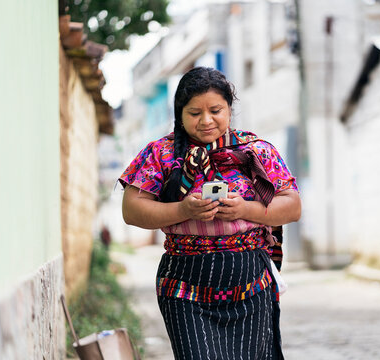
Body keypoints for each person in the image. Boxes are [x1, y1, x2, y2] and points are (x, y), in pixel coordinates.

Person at [119, 67, 301, 359]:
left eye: (216, 110)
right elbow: (132, 210)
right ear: (179, 114)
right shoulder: (160, 154)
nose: (206, 121)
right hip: (184, 289)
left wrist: (245, 209)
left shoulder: (257, 151)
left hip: (252, 285)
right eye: (194, 113)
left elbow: (292, 205)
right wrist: (183, 209)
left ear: (229, 109)